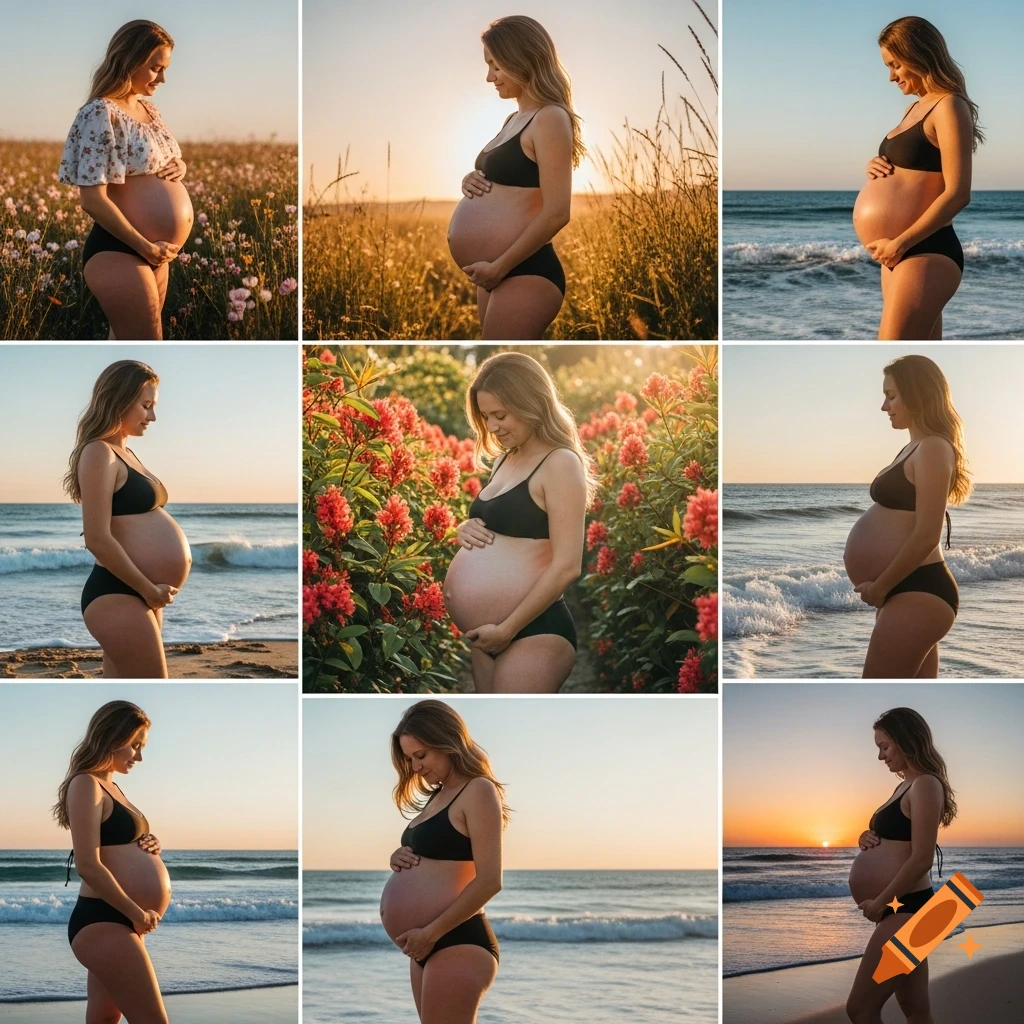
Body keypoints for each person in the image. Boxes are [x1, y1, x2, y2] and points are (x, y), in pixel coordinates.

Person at [442, 352, 592, 692]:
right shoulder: (504, 460)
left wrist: (507, 630)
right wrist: (464, 528)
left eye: (501, 415)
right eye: (485, 416)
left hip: (532, 630)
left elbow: (568, 566)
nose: (492, 426)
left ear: (532, 404)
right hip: (487, 634)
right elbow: (499, 529)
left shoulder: (560, 463)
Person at [447, 16, 583, 339]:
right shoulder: (513, 118)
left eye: (496, 66)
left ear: (520, 58)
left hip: (523, 270)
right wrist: (470, 178)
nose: (489, 77)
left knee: (499, 354)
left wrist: (499, 267)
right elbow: (504, 179)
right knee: (491, 349)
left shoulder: (550, 117)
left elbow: (557, 212)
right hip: (494, 270)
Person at [59, 20, 193, 340]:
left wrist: (180, 166)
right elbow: (92, 199)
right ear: (128, 60)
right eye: (154, 68)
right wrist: (145, 246)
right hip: (120, 248)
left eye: (165, 69)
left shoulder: (149, 109)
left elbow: (160, 160)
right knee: (148, 341)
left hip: (154, 252)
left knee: (126, 339)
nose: (162, 78)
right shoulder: (100, 112)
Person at [853, 16, 982, 340]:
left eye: (895, 64)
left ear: (918, 55)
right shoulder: (916, 108)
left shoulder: (949, 105)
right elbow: (912, 167)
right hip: (897, 254)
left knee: (891, 349)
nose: (891, 76)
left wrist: (900, 243)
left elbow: (957, 193)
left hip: (924, 249)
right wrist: (876, 165)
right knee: (919, 350)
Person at [380, 701, 509, 1024]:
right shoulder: (437, 796)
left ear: (447, 742)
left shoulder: (477, 790)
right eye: (409, 759)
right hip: (425, 943)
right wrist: (397, 855)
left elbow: (490, 880)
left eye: (421, 755)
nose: (415, 767)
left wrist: (431, 934)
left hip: (456, 938)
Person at [843, 355, 970, 677]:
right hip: (907, 591)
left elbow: (928, 534)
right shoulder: (914, 447)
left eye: (891, 396)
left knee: (877, 685)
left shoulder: (933, 448)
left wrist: (881, 587)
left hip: (917, 589)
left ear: (917, 394)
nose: (885, 407)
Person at [63, 360, 192, 677]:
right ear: (119, 399)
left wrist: (150, 592)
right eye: (146, 405)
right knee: (152, 682)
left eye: (154, 406)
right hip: (118, 592)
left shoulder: (127, 453)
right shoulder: (98, 452)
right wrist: (147, 590)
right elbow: (97, 538)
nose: (152, 416)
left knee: (123, 685)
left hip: (142, 593)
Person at [55, 700, 171, 1023]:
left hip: (119, 922)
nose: (139, 756)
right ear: (113, 736)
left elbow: (117, 842)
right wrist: (136, 912)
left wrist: (149, 843)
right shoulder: (85, 783)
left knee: (104, 1019)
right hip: (103, 920)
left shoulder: (112, 787)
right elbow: (88, 865)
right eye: (134, 745)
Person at [846, 707, 955, 1023]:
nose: (881, 756)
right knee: (916, 1009)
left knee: (861, 1010)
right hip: (905, 912)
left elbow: (921, 857)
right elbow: (898, 838)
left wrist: (880, 903)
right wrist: (866, 836)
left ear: (907, 740)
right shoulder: (904, 785)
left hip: (907, 911)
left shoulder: (925, 784)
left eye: (885, 746)